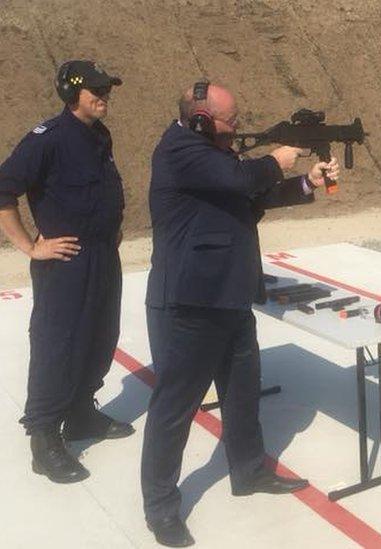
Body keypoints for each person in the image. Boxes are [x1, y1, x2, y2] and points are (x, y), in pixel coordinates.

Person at [141, 81, 340, 547]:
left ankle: (248, 471)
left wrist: (307, 182)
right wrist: (277, 158)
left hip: (230, 294)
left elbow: (251, 199)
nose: (237, 128)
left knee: (242, 392)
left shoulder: (213, 151)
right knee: (174, 409)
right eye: (230, 121)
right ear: (201, 119)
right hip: (192, 302)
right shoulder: (180, 151)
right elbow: (243, 180)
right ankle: (161, 508)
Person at [0, 60, 133, 484]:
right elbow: (4, 190)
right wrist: (30, 246)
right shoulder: (48, 140)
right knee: (57, 345)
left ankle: (80, 414)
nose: (104, 95)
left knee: (100, 336)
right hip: (65, 262)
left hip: (101, 257)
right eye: (96, 89)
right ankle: (43, 438)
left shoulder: (99, 135)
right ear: (71, 94)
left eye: (106, 88)